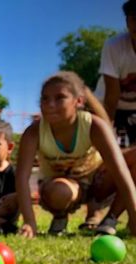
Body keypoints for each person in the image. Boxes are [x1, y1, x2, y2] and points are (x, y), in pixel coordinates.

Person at [16, 71, 136, 238]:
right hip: (65, 187)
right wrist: (29, 221)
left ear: (78, 101)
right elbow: (22, 177)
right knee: (60, 191)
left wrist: (133, 213)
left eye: (59, 98)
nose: (50, 104)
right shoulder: (34, 132)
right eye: (45, 98)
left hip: (99, 184)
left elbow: (120, 170)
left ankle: (110, 219)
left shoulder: (94, 125)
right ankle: (60, 215)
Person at [100, 1, 136, 147]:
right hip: (109, 106)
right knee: (111, 149)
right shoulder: (114, 46)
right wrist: (107, 128)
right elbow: (111, 96)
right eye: (135, 19)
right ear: (127, 22)